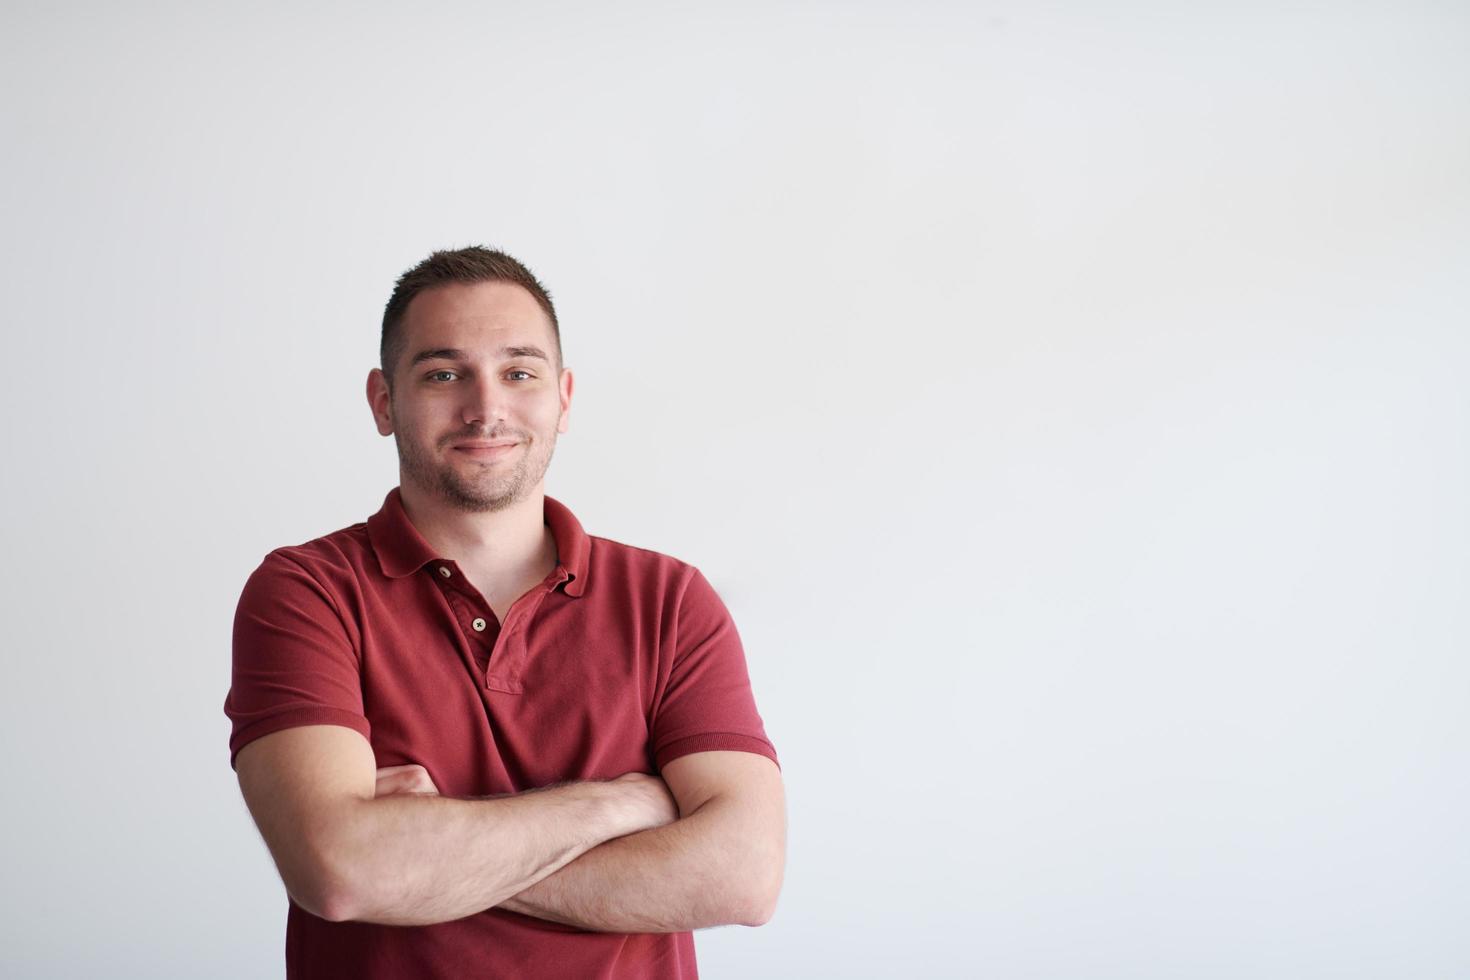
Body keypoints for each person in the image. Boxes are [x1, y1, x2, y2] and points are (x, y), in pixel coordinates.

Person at [224, 246, 785, 978]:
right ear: (383, 401)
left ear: (564, 398)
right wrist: (613, 810)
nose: (485, 408)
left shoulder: (670, 601)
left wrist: (424, 856)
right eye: (443, 373)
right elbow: (342, 872)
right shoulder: (306, 592)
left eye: (519, 372)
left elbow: (743, 874)